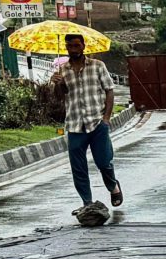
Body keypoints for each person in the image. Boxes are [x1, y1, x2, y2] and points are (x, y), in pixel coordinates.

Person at [52, 32, 121, 211]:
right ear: (66, 47)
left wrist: (106, 118)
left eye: (76, 45)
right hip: (75, 125)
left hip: (97, 122)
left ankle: (113, 186)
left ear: (83, 46)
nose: (73, 49)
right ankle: (87, 202)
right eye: (70, 46)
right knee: (78, 167)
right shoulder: (63, 70)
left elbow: (109, 90)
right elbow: (60, 97)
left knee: (104, 161)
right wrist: (58, 84)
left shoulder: (98, 66)